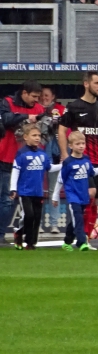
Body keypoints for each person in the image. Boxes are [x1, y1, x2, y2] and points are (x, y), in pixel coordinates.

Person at [57, 72, 98, 239]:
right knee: (87, 198)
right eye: (97, 83)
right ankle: (82, 237)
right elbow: (62, 130)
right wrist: (64, 154)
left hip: (97, 162)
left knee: (93, 201)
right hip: (81, 162)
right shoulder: (74, 106)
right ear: (86, 84)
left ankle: (82, 237)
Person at [0, 82, 44, 239]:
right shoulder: (8, 102)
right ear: (24, 93)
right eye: (33, 97)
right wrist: (26, 117)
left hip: (26, 164)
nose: (36, 101)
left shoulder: (39, 109)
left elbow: (43, 134)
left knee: (8, 201)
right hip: (4, 156)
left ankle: (1, 235)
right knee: (5, 199)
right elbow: (5, 118)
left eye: (38, 97)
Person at [51, 131, 98, 251]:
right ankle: (81, 242)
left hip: (83, 195)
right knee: (78, 217)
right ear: (70, 146)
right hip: (73, 196)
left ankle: (67, 241)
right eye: (78, 144)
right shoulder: (68, 162)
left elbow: (92, 173)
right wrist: (55, 196)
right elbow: (60, 179)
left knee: (76, 219)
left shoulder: (86, 160)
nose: (81, 146)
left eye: (83, 143)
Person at [10, 124, 52, 250]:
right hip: (25, 191)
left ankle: (31, 242)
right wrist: (13, 188)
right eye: (34, 135)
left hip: (38, 192)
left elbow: (49, 168)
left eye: (39, 135)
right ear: (26, 137)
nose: (37, 138)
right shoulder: (21, 153)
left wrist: (63, 165)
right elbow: (15, 171)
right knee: (28, 215)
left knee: (37, 217)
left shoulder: (42, 154)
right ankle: (19, 233)